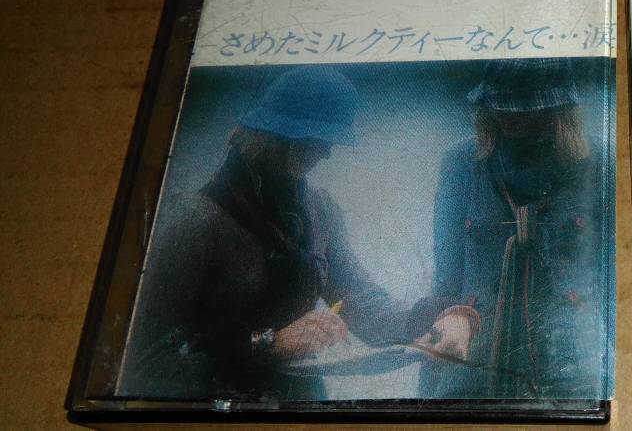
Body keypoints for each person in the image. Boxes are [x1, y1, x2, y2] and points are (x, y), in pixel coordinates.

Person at [120, 65, 475, 401]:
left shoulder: (318, 211)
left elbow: (366, 305)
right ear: (278, 136)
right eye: (319, 139)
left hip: (302, 407)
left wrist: (442, 317)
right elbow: (143, 369)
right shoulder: (197, 222)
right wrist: (267, 345)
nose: (327, 152)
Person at [418, 58, 615, 399]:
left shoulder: (600, 162)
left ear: (559, 109)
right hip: (476, 348)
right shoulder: (461, 163)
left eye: (526, 108)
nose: (511, 116)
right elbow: (446, 278)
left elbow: (614, 272)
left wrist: (614, 354)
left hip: (574, 352)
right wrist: (434, 372)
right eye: (501, 106)